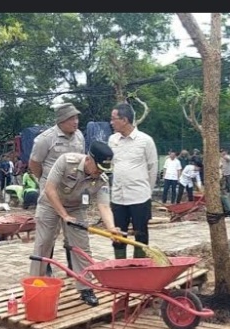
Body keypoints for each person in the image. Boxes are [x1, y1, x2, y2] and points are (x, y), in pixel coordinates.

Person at [29, 141, 120, 306]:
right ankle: (36, 285)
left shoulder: (102, 178)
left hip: (76, 208)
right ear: (89, 159)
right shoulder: (66, 161)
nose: (99, 172)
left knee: (82, 247)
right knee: (43, 244)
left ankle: (85, 288)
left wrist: (112, 228)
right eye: (98, 168)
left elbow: (104, 206)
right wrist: (63, 215)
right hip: (50, 203)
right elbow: (49, 189)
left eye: (103, 170)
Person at [29, 102, 85, 274]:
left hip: (73, 197)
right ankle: (41, 273)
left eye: (76, 117)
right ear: (61, 120)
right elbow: (34, 164)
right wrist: (47, 182)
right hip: (50, 197)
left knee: (77, 238)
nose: (76, 122)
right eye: (71, 118)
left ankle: (78, 275)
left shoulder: (79, 136)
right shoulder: (45, 139)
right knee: (45, 239)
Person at [108, 102, 158, 260]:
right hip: (118, 197)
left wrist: (146, 191)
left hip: (139, 197)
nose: (111, 122)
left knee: (141, 233)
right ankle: (120, 266)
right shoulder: (112, 140)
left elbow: (153, 168)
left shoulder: (145, 141)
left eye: (113, 118)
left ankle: (140, 266)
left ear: (124, 120)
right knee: (117, 234)